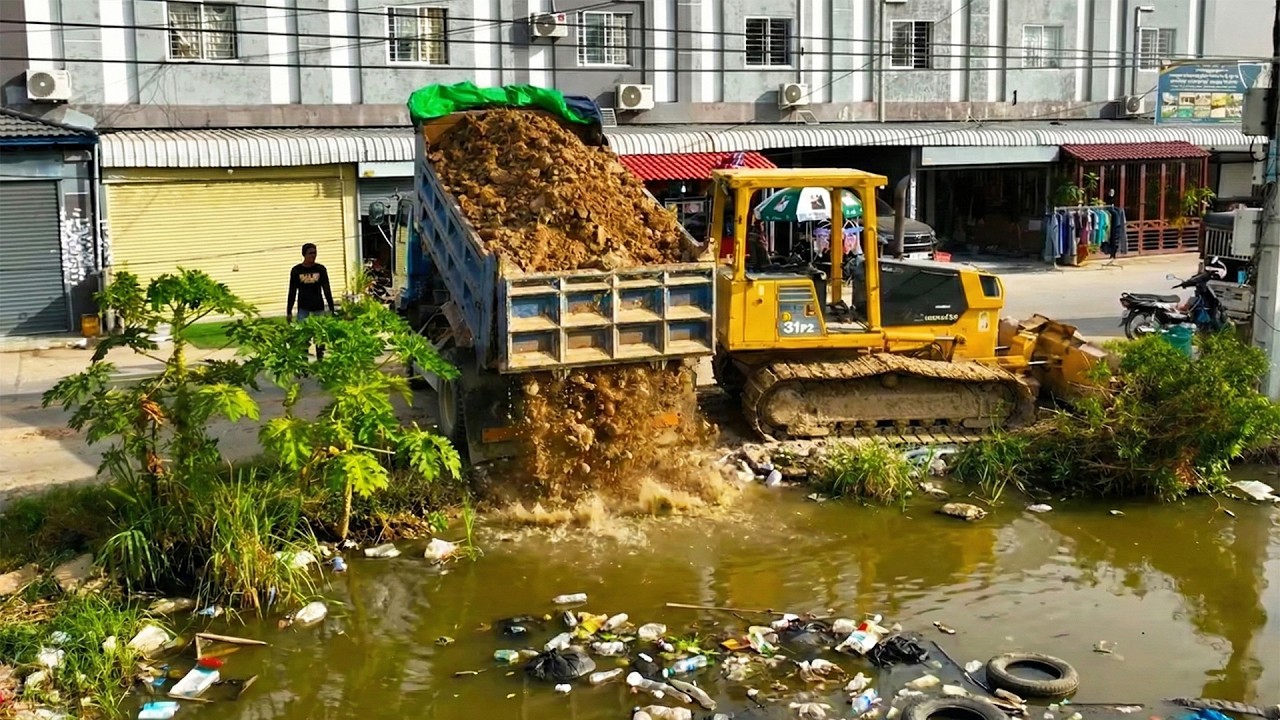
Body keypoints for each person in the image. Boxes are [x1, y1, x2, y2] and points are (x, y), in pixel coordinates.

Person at [286, 242, 335, 359]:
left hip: (318, 306)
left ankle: (320, 359)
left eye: (315, 253)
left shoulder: (320, 269)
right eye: (310, 253)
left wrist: (332, 308)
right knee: (303, 336)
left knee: (320, 335)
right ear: (304, 254)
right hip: (304, 308)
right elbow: (292, 291)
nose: (313, 256)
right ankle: (304, 361)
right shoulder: (297, 271)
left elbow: (327, 289)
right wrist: (289, 311)